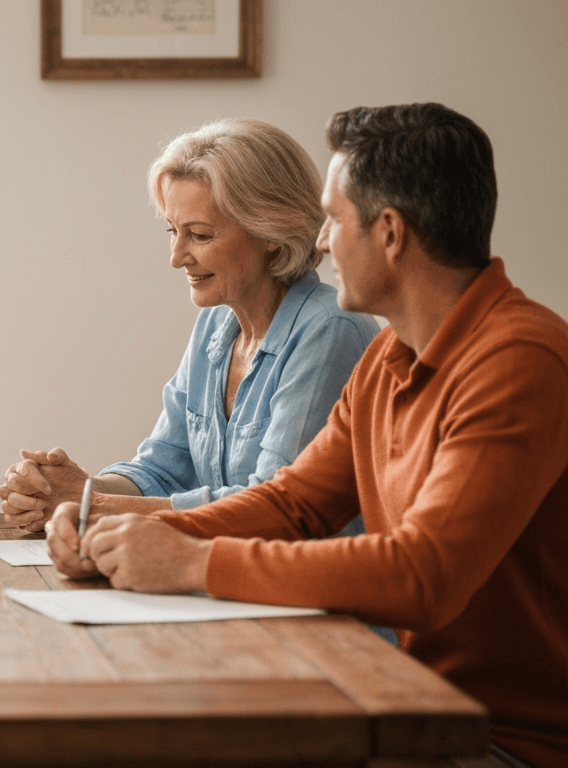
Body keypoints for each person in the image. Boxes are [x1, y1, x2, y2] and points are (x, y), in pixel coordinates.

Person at [49, 103, 568, 767]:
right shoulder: (388, 358)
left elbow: (424, 573)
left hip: (495, 740)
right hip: (391, 701)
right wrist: (127, 539)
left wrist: (191, 560)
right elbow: (292, 504)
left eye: (333, 218)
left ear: (388, 233)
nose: (320, 242)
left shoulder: (520, 360)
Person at [1, 119, 379, 531]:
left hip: (305, 588)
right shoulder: (216, 323)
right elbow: (164, 467)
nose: (177, 256)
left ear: (271, 230)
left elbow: (273, 508)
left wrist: (91, 504)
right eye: (172, 231)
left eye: (198, 235)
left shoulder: (330, 329)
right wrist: (71, 489)